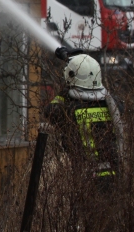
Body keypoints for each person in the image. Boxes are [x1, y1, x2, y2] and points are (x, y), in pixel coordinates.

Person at [42, 52, 124, 180]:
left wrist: (65, 90)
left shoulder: (70, 110)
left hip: (86, 177)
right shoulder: (113, 105)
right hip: (114, 174)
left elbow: (49, 111)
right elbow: (110, 98)